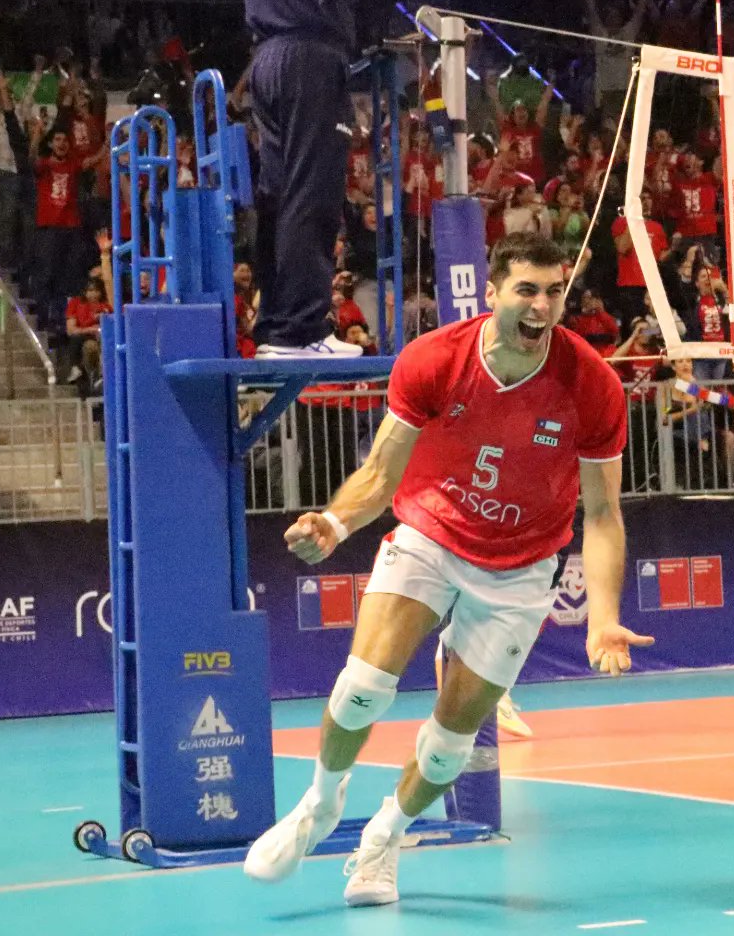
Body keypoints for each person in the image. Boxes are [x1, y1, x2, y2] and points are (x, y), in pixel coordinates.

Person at [242, 233, 653, 906]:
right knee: (363, 688)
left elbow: (604, 514)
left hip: (522, 566)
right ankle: (319, 805)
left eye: (555, 292)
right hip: (432, 532)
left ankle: (383, 838)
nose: (543, 306)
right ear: (493, 293)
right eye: (527, 290)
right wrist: (335, 522)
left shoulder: (592, 385)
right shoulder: (435, 359)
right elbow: (380, 473)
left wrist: (603, 617)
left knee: (446, 749)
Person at [238, 0, 367, 358]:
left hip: (271, 56)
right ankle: (301, 331)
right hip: (308, 55)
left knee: (279, 197)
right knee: (314, 194)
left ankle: (278, 328)